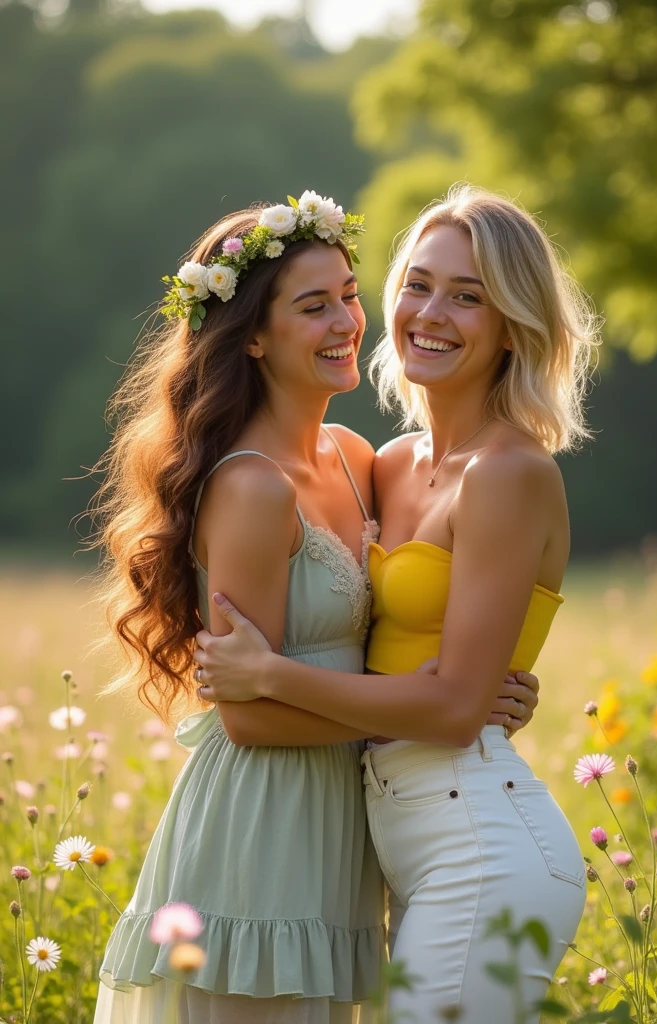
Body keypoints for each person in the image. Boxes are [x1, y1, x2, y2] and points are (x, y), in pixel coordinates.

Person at [91, 189, 539, 1024]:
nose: (347, 322)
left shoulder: (353, 456)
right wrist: (442, 713)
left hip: (347, 828)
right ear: (253, 335)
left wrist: (484, 690)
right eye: (313, 306)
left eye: (348, 296)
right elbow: (249, 720)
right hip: (262, 830)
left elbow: (403, 624)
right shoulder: (253, 487)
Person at [193, 185, 596, 1023]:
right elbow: (384, 648)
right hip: (397, 844)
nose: (431, 312)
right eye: (419, 283)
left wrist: (269, 673)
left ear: (514, 323)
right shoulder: (386, 463)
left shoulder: (512, 473)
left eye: (469, 295)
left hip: (483, 844)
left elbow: (452, 709)